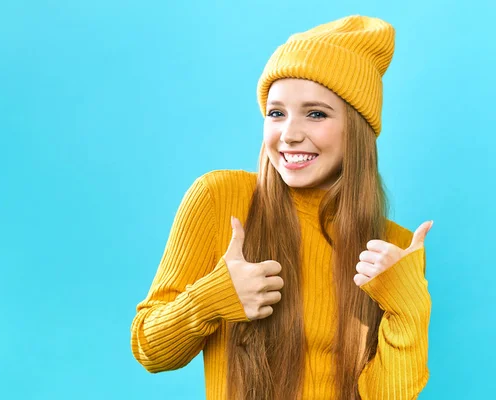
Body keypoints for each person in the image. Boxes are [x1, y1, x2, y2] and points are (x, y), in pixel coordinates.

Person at [130, 15, 432, 400]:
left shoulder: (392, 248)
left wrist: (408, 308)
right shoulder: (220, 197)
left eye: (316, 113)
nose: (289, 134)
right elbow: (149, 350)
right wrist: (210, 299)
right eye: (276, 113)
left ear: (356, 129)